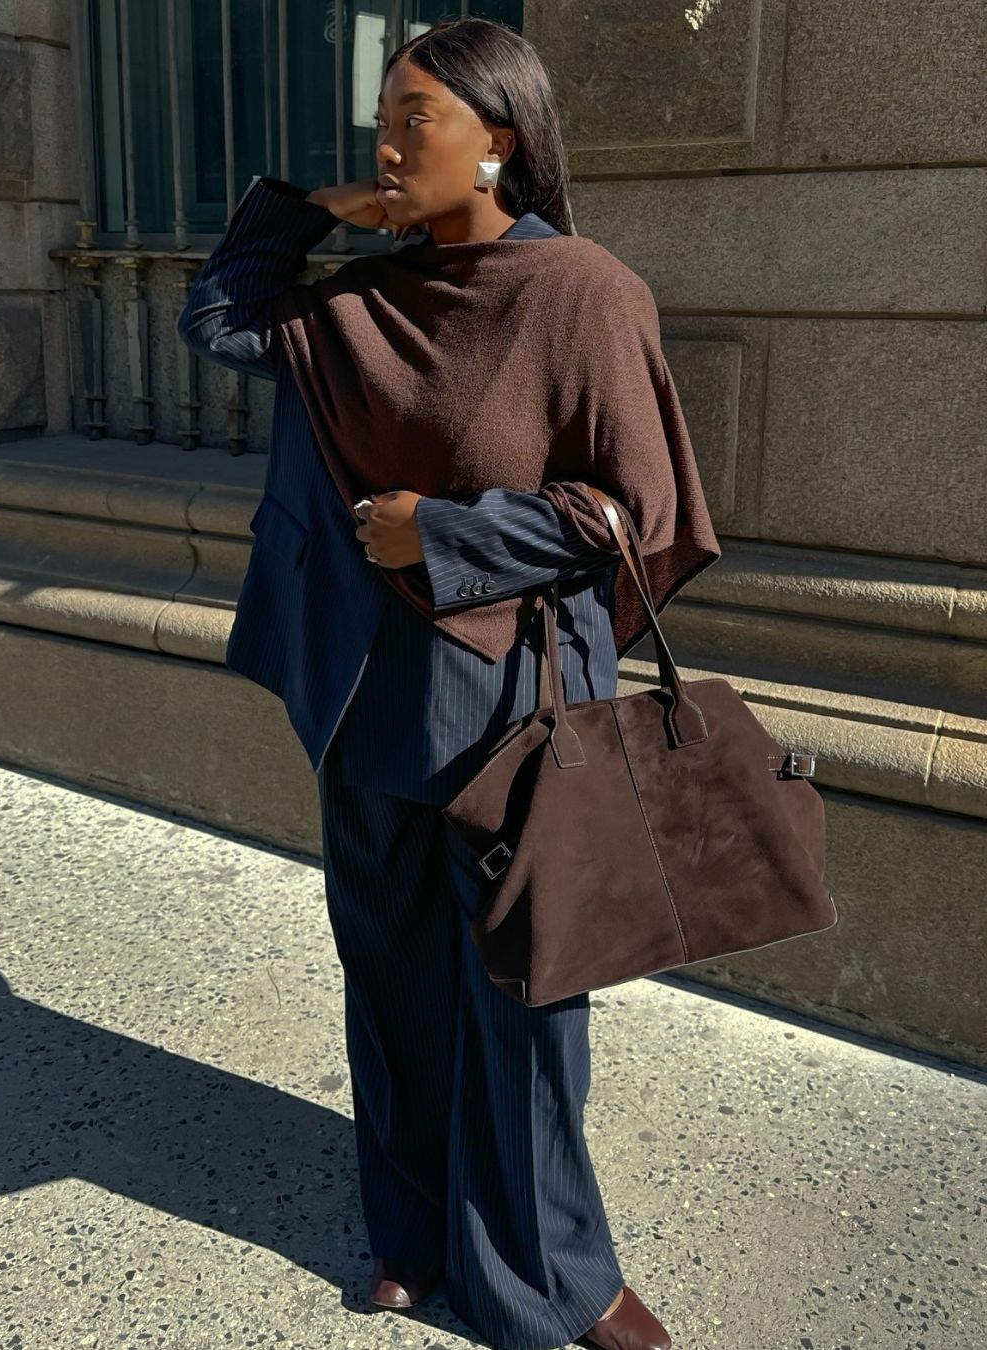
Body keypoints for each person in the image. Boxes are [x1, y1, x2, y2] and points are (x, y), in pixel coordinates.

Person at [177, 17, 717, 1348]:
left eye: (417, 118)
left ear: (503, 142)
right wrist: (307, 207)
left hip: (518, 713)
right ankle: (410, 1228)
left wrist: (448, 534)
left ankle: (560, 1273)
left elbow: (644, 516)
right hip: (372, 709)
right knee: (394, 981)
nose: (388, 140)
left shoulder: (585, 292)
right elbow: (218, 317)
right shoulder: (358, 301)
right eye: (386, 116)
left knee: (531, 1006)